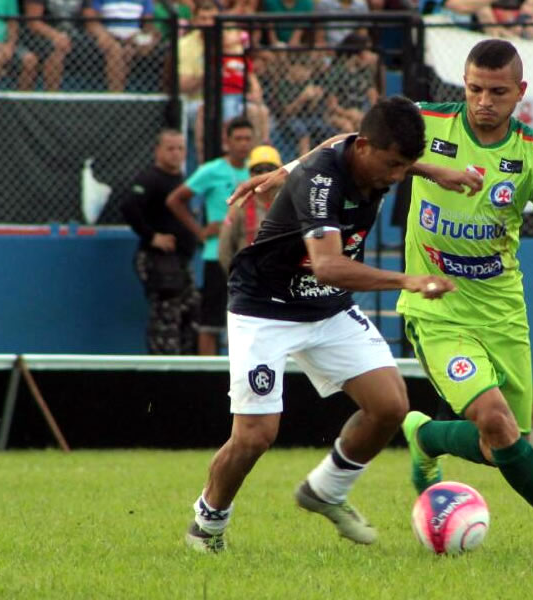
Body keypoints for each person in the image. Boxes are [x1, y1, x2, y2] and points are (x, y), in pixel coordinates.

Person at [230, 40, 533, 557]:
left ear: (520, 93)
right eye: (475, 88)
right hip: (437, 308)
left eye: (497, 92)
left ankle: (428, 437)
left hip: (501, 310)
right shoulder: (429, 123)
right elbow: (352, 140)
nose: (483, 101)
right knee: (497, 422)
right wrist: (289, 171)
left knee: (502, 443)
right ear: (464, 84)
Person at [184, 96, 456, 554]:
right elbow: (328, 266)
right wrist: (409, 280)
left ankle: (325, 491)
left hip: (327, 309)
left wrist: (435, 171)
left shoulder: (365, 155)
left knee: (390, 406)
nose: (396, 176)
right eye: (393, 165)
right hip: (264, 307)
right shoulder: (320, 181)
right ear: (366, 147)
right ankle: (208, 522)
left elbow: (337, 142)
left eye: (405, 167)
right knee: (255, 437)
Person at [166, 117, 255, 356]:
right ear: (228, 141)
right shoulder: (212, 170)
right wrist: (200, 231)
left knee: (254, 318)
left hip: (250, 255)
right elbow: (175, 199)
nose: (243, 144)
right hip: (216, 253)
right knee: (211, 322)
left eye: (248, 139)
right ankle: (211, 375)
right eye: (238, 139)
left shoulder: (257, 170)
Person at [121, 129, 200, 354]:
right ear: (158, 151)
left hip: (182, 260)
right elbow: (129, 207)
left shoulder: (181, 179)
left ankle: (188, 364)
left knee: (191, 310)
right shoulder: (151, 178)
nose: (176, 154)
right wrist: (153, 236)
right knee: (166, 313)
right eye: (170, 148)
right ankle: (163, 365)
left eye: (180, 148)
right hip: (159, 261)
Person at [217, 144, 283, 274]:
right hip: (248, 278)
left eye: (270, 169)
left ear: (280, 172)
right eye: (258, 170)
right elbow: (224, 248)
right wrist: (236, 278)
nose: (264, 174)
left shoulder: (288, 202)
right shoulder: (240, 205)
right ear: (250, 173)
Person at [83, 0, 160, 92]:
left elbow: (148, 23)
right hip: (109, 35)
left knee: (131, 50)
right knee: (115, 51)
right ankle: (117, 95)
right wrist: (105, 35)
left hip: (134, 36)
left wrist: (141, 36)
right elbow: (93, 19)